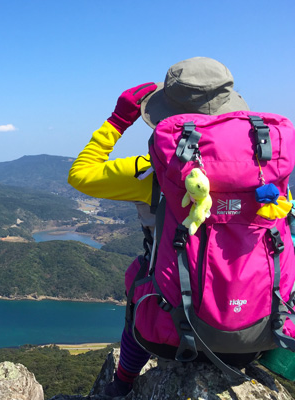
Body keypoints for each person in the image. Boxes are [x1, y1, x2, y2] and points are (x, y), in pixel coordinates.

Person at [67, 57, 250, 397]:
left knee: (140, 274)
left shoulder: (152, 172)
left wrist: (118, 120)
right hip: (252, 333)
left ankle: (123, 381)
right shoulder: (262, 172)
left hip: (168, 333)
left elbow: (79, 174)